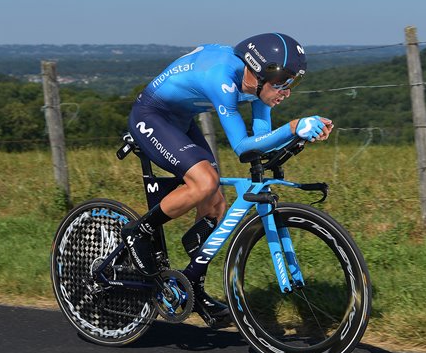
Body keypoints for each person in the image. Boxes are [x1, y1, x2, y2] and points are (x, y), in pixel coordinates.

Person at [122, 32, 334, 327]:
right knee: (206, 183)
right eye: (282, 82)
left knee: (216, 204)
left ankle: (192, 286)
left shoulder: (260, 86)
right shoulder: (221, 77)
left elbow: (260, 141)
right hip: (151, 115)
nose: (286, 91)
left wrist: (294, 139)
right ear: (259, 72)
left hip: (180, 121)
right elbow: (242, 148)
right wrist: (295, 126)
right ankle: (138, 231)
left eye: (292, 83)